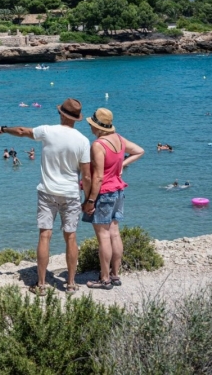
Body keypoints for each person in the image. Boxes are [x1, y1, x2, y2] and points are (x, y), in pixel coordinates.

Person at [0, 98, 91, 295]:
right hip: (71, 194)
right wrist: (88, 200)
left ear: (62, 114)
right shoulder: (83, 140)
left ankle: (42, 285)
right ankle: (70, 284)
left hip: (47, 192)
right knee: (71, 237)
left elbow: (22, 131)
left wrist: (3, 129)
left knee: (45, 235)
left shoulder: (47, 131)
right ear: (76, 118)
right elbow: (87, 175)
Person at [82, 108, 144, 290]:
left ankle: (105, 279)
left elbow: (98, 177)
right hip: (118, 191)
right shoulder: (119, 139)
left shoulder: (98, 145)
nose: (90, 127)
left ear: (98, 127)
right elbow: (139, 151)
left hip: (103, 194)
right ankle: (115, 276)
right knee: (115, 234)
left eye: (91, 124)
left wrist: (90, 201)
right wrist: (121, 165)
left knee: (103, 237)